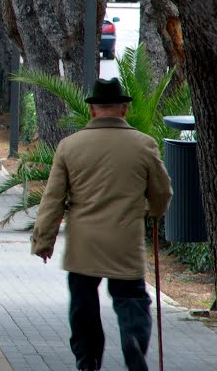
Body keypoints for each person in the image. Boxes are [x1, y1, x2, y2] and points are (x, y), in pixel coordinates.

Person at [31, 78, 172, 371]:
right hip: (125, 242)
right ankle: (133, 346)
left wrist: (44, 241)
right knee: (131, 299)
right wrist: (152, 212)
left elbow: (53, 198)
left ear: (93, 110)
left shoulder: (69, 146)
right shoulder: (144, 144)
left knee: (83, 306)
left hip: (84, 243)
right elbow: (162, 192)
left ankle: (87, 360)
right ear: (124, 109)